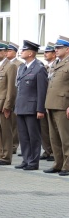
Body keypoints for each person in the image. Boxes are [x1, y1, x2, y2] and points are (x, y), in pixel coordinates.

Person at [13, 40, 47, 171]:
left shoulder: (39, 68)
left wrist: (40, 109)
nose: (21, 52)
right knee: (23, 136)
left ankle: (33, 162)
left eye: (24, 50)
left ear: (31, 53)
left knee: (34, 136)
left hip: (32, 108)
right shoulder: (22, 67)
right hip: (21, 106)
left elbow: (42, 90)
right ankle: (26, 159)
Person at [44, 35, 69, 176]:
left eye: (59, 48)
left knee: (66, 137)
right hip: (52, 104)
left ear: (67, 49)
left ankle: (67, 165)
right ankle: (58, 164)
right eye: (56, 48)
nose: (56, 50)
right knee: (54, 138)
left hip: (63, 105)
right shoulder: (55, 64)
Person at [40, 42, 56, 161]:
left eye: (47, 52)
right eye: (44, 52)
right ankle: (47, 150)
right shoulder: (44, 67)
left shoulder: (56, 66)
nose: (45, 54)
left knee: (54, 129)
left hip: (53, 101)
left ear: (54, 54)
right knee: (44, 128)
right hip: (44, 100)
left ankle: (54, 153)